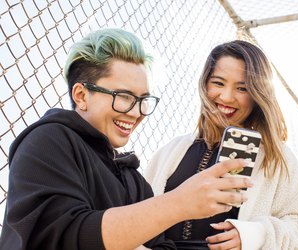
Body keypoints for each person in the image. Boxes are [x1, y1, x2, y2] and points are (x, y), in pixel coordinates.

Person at [0, 29, 253, 250]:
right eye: (123, 96)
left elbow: (163, 245)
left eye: (143, 100)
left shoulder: (132, 177)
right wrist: (179, 203)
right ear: (81, 95)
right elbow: (56, 238)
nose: (135, 112)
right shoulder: (48, 140)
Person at [145, 40, 298, 250]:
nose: (227, 97)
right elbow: (139, 215)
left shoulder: (277, 158)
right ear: (204, 84)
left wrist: (255, 236)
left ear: (258, 94)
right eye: (219, 83)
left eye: (242, 88)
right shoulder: (171, 151)